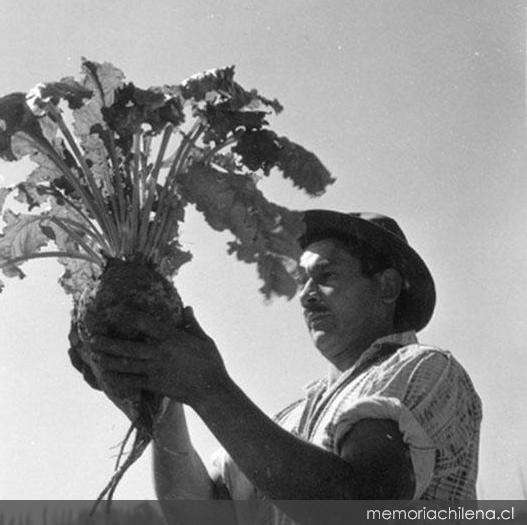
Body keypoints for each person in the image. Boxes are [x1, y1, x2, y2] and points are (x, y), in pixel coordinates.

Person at [86, 210, 482, 523]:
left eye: (325, 276)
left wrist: (210, 390)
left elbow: (357, 506)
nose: (306, 296)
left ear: (387, 287)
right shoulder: (293, 418)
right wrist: (162, 401)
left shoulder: (422, 368)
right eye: (302, 281)